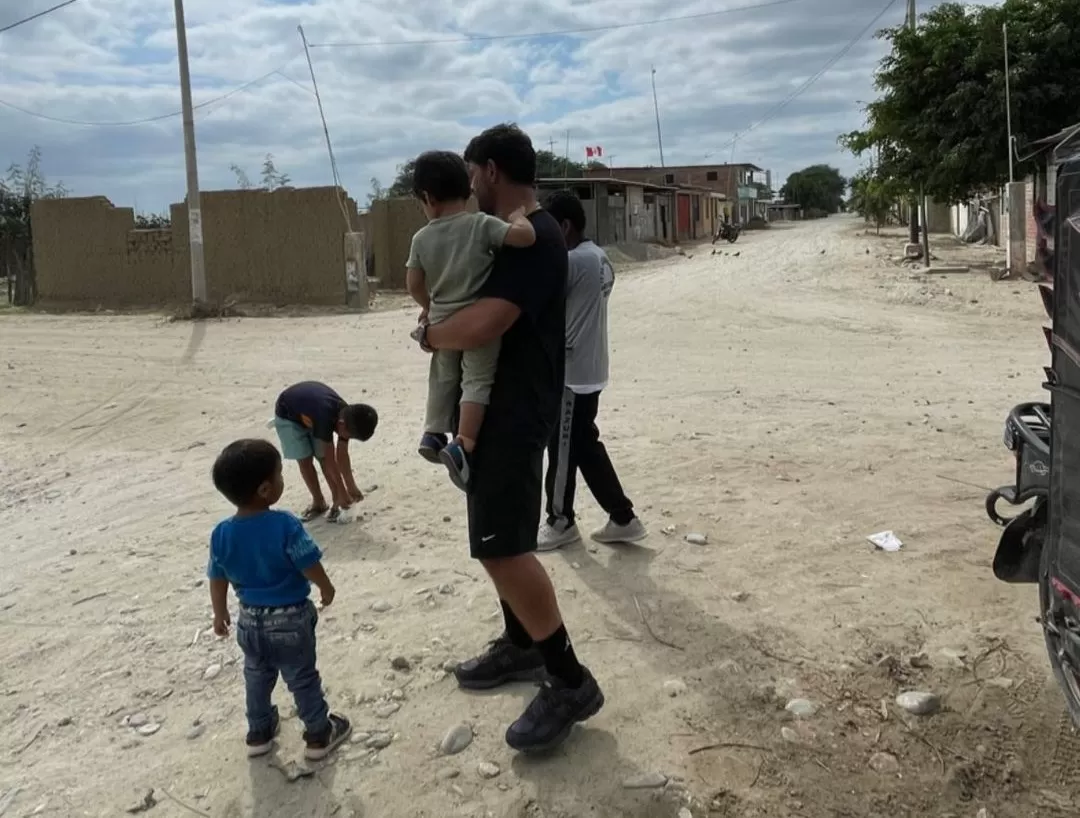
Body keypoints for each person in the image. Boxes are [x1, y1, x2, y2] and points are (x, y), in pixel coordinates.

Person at [412, 124, 604, 753]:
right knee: (497, 537)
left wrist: (432, 336)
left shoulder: (536, 236)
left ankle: (569, 680)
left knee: (503, 550)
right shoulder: (509, 231)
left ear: (490, 170)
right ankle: (521, 645)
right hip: (494, 412)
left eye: (472, 175)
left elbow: (489, 320)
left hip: (515, 413)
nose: (468, 187)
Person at [207, 438, 352, 760]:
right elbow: (307, 562)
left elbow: (217, 577)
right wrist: (325, 588)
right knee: (301, 676)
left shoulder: (221, 533)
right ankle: (318, 733)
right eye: (280, 475)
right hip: (290, 617)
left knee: (256, 676)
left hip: (249, 619)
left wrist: (219, 614)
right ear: (264, 489)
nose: (282, 481)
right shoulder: (284, 524)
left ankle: (258, 732)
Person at [405, 149, 536, 490]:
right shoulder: (481, 225)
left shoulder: (422, 238)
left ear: (427, 198)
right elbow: (525, 238)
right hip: (477, 322)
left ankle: (433, 431)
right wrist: (520, 217)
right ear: (468, 190)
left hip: (444, 319)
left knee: (444, 375)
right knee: (477, 381)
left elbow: (413, 283)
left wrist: (428, 306)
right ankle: (462, 444)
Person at [536, 191, 646, 551]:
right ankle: (622, 517)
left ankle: (561, 519)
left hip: (573, 374)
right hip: (590, 366)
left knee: (564, 448)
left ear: (564, 226)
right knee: (583, 445)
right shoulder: (598, 257)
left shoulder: (572, 262)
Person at [272, 381, 378, 522]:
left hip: (310, 413)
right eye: (348, 436)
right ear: (341, 424)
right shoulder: (325, 418)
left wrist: (351, 486)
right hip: (289, 416)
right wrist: (342, 490)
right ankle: (319, 502)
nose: (345, 440)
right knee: (305, 459)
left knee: (321, 457)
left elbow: (342, 454)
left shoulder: (347, 416)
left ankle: (336, 501)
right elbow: (330, 460)